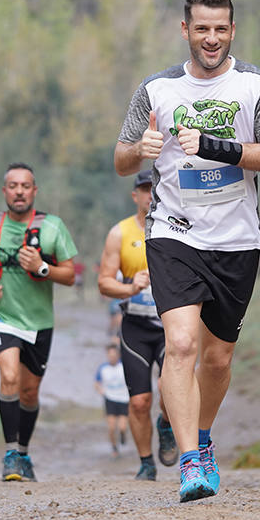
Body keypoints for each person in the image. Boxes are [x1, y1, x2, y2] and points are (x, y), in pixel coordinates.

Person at [114, 0, 260, 502]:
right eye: (201, 28)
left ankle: (203, 437)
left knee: (217, 358)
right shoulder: (156, 90)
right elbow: (123, 159)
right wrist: (138, 150)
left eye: (220, 29)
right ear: (185, 30)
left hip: (237, 238)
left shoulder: (256, 85)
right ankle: (191, 462)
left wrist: (214, 146)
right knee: (183, 345)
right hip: (173, 231)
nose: (210, 38)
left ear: (232, 31)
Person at [0, 162, 77, 482]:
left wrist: (43, 267)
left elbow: (70, 275)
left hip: (39, 321)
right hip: (0, 315)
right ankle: (11, 454)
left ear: (34, 191)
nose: (19, 192)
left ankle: (24, 453)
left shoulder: (52, 227)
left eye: (25, 186)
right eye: (13, 186)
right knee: (10, 376)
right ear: (4, 191)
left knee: (29, 393)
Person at [96, 169, 177, 481]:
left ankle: (167, 424)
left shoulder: (178, 228)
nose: (150, 194)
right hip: (136, 328)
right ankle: (146, 462)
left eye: (155, 187)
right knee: (140, 401)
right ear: (135, 196)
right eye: (145, 189)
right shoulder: (120, 233)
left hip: (171, 325)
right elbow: (103, 283)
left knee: (170, 389)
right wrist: (130, 288)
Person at [94, 344, 130, 458]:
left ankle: (123, 435)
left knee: (122, 427)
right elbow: (97, 382)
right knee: (111, 427)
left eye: (114, 355)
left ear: (118, 355)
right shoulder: (103, 368)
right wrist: (100, 390)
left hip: (124, 399)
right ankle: (114, 448)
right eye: (110, 355)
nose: (112, 357)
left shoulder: (124, 366)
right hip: (110, 399)